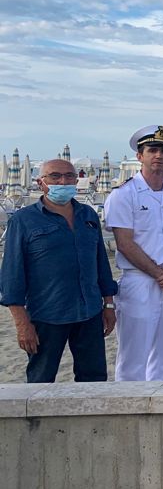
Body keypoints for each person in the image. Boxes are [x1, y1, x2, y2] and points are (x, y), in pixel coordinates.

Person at [0, 159, 118, 382]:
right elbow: (11, 274)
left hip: (90, 312)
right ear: (40, 182)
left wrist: (108, 304)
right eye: (55, 176)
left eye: (69, 176)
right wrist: (21, 323)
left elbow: (101, 264)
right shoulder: (24, 220)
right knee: (40, 380)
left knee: (94, 379)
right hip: (47, 315)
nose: (63, 181)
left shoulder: (88, 216)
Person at [103, 126, 163, 381]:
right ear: (140, 156)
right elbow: (125, 243)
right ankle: (129, 408)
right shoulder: (123, 195)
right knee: (134, 354)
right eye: (152, 150)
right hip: (140, 280)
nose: (158, 156)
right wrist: (160, 274)